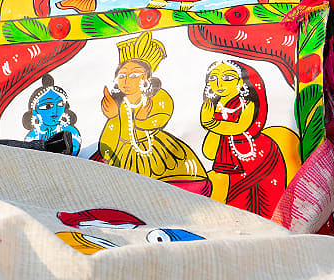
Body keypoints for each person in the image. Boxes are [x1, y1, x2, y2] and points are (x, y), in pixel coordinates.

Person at [94, 32, 210, 194]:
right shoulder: (120, 105)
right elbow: (111, 134)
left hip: (156, 151)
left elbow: (162, 114)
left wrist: (142, 120)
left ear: (147, 78)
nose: (126, 80)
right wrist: (114, 116)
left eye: (134, 75)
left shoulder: (158, 96)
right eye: (122, 75)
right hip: (123, 153)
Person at [199, 59, 287, 219]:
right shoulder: (214, 106)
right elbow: (209, 151)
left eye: (227, 78)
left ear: (241, 82)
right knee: (231, 200)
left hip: (256, 156)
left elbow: (239, 127)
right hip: (229, 159)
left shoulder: (247, 103)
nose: (218, 83)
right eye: (213, 78)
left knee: (258, 198)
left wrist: (210, 123)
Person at [22, 75, 81, 155]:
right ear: (35, 111)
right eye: (47, 106)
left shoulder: (70, 132)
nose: (55, 111)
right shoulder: (33, 136)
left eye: (60, 104)